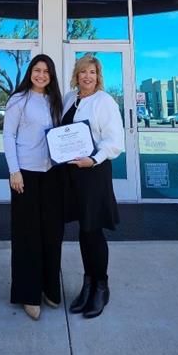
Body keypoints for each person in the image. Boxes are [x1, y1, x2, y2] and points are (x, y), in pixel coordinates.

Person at [62, 54, 124, 319]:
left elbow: (115, 142)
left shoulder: (104, 101)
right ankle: (87, 284)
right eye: (83, 72)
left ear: (98, 77)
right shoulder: (69, 98)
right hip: (71, 175)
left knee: (93, 229)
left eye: (92, 72)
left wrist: (93, 159)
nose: (87, 77)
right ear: (76, 75)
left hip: (94, 172)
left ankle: (101, 286)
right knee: (83, 231)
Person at [3, 54, 64, 321]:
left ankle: (49, 287)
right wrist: (14, 171)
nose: (41, 75)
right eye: (37, 70)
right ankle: (28, 294)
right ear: (30, 73)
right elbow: (8, 135)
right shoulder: (19, 100)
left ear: (51, 76)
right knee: (27, 235)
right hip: (25, 175)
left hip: (51, 174)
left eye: (46, 71)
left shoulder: (55, 101)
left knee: (52, 233)